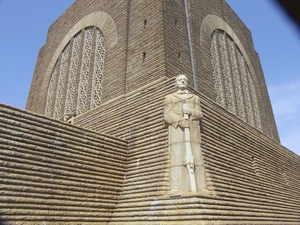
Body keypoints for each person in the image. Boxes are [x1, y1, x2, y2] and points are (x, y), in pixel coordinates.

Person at [164, 74, 207, 193]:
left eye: (184, 80)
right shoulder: (169, 97)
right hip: (177, 130)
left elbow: (200, 114)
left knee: (197, 156)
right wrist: (179, 121)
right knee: (176, 156)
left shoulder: (194, 98)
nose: (182, 81)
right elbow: (167, 115)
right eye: (180, 80)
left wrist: (191, 111)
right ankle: (176, 187)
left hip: (193, 130)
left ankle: (202, 186)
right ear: (176, 83)